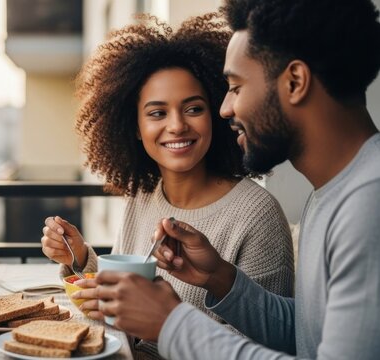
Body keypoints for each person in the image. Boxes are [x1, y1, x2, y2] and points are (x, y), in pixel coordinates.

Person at [84, 0, 380, 358]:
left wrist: (171, 323)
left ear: (295, 82)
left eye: (237, 87)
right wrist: (221, 279)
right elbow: (304, 333)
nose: (225, 108)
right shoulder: (330, 193)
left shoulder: (369, 204)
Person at [41, 13, 294, 358]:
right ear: (134, 126)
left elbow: (260, 346)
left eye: (193, 108)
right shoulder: (143, 196)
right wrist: (81, 257)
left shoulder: (256, 214)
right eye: (157, 113)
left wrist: (169, 319)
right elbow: (131, 293)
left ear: (216, 114)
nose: (177, 126)